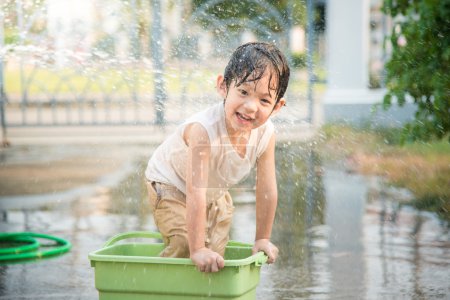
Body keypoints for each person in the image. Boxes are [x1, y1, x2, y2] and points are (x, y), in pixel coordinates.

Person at [145, 41, 290, 273]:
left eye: (264, 100)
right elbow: (195, 191)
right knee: (186, 245)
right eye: (243, 92)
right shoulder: (204, 131)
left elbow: (267, 189)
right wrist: (197, 249)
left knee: (215, 256)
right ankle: (160, 287)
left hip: (212, 192)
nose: (251, 107)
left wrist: (262, 238)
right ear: (223, 86)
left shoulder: (266, 133)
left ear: (277, 107)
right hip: (170, 184)